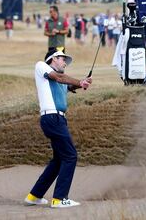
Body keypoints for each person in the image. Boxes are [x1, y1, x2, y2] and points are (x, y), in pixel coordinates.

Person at [24, 49, 92, 208]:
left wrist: (82, 83)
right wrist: (79, 81)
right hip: (52, 118)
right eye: (63, 59)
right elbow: (60, 78)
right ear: (53, 59)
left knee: (59, 159)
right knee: (70, 155)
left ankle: (34, 195)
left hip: (58, 119)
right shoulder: (41, 66)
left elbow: (66, 85)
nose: (65, 63)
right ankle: (60, 199)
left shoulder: (58, 81)